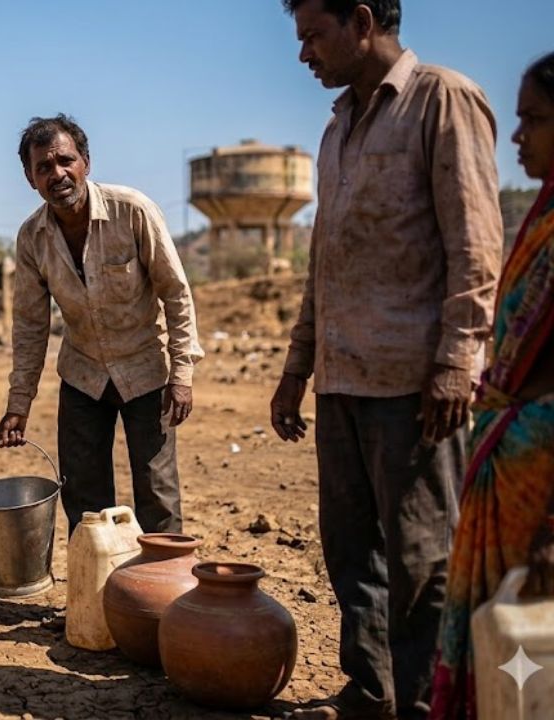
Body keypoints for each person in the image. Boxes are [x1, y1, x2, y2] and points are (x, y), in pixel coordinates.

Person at [272, 2, 503, 718]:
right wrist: (296, 367)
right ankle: (369, 695)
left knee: (421, 562)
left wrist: (455, 362)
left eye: (314, 35)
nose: (304, 53)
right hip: (342, 380)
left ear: (362, 19)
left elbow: (476, 244)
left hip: (414, 385)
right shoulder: (337, 125)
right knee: (350, 556)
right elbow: (324, 262)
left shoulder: (442, 99)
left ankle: (427, 703)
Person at [0, 114, 203, 536]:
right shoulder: (32, 237)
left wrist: (182, 374)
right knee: (84, 499)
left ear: (85, 162)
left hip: (147, 370)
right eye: (43, 168)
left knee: (157, 495)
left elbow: (176, 293)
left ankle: (161, 595)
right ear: (29, 178)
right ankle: (96, 595)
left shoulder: (132, 211)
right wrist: (20, 402)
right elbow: (31, 325)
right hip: (83, 375)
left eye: (65, 161)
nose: (57, 174)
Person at [430, 51, 554, 720]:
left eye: (534, 119)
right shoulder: (540, 217)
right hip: (510, 459)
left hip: (541, 481)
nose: (518, 137)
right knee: (499, 622)